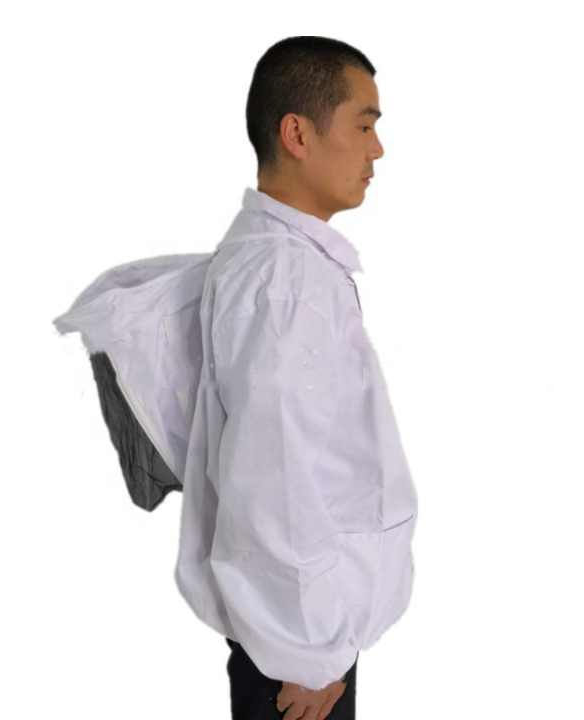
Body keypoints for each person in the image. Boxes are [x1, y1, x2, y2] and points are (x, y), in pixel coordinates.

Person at [174, 35, 418, 719]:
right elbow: (276, 474)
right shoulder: (286, 278)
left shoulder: (272, 260)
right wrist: (309, 657)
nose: (377, 150)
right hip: (298, 654)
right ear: (298, 134)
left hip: (293, 631)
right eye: (364, 125)